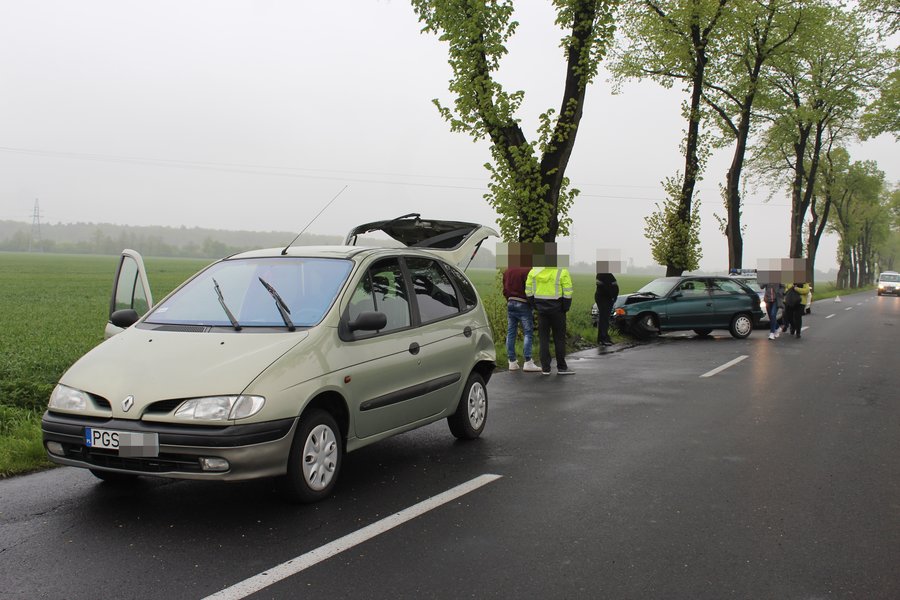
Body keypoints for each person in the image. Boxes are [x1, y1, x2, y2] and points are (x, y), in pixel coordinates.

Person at [526, 247, 574, 375]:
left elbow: (528, 291)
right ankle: (562, 367)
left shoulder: (534, 272)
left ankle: (545, 368)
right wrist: (565, 307)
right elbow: (568, 292)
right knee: (559, 338)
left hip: (541, 309)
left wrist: (534, 305)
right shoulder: (562, 271)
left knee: (543, 339)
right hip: (558, 309)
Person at [502, 249, 540, 372]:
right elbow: (530, 289)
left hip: (510, 303)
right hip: (523, 303)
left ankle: (512, 362)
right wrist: (532, 304)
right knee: (528, 332)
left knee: (511, 332)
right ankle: (528, 361)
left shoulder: (508, 271)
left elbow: (505, 289)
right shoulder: (528, 270)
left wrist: (508, 299)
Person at [594, 272, 619, 347]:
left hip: (607, 299)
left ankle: (605, 337)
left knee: (605, 319)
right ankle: (602, 339)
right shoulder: (602, 274)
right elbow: (606, 288)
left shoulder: (606, 274)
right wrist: (612, 296)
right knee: (604, 319)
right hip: (604, 299)